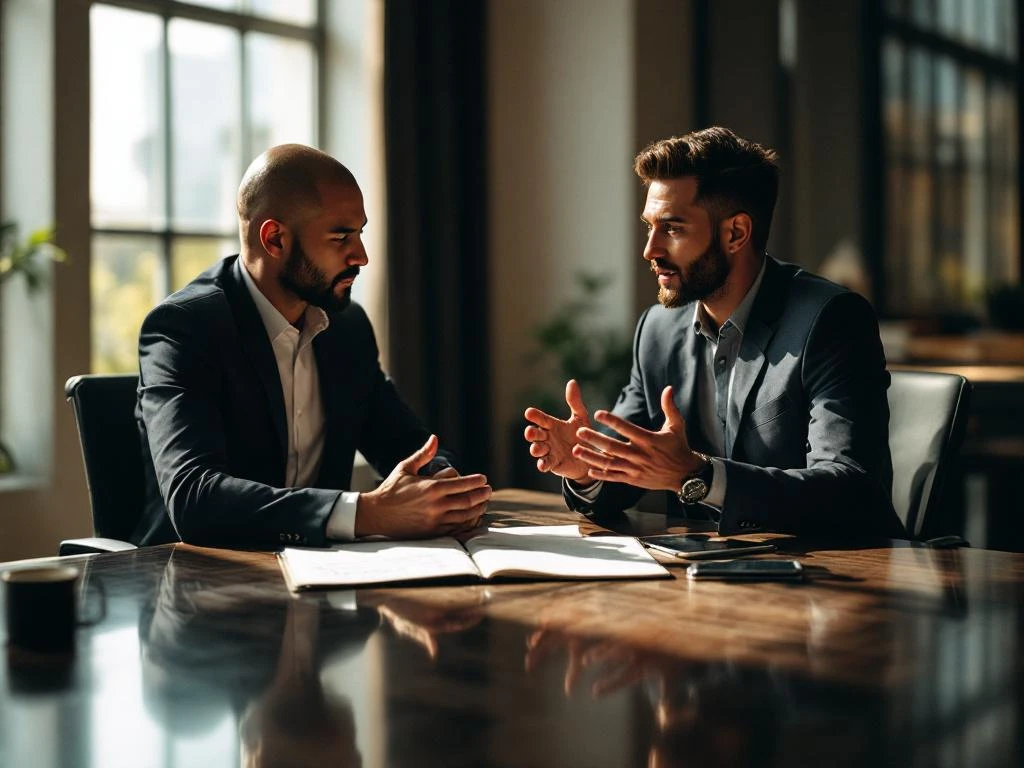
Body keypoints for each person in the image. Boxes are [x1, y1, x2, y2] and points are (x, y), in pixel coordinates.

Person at [524, 127, 901, 537]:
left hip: (833, 568)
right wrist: (586, 469)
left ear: (735, 233)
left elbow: (852, 490)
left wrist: (699, 476)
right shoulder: (657, 330)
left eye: (673, 228)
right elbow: (629, 469)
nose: (650, 250)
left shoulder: (831, 319)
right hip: (702, 571)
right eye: (649, 227)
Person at [134, 144, 491, 548]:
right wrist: (367, 512)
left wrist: (442, 485)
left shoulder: (346, 328)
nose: (361, 256)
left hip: (323, 570)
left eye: (360, 233)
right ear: (275, 239)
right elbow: (195, 499)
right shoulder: (184, 328)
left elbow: (407, 444)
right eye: (341, 237)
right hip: (198, 573)